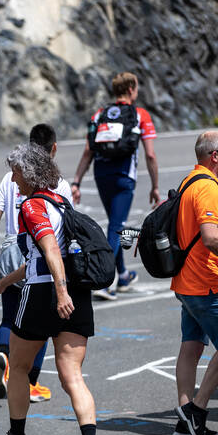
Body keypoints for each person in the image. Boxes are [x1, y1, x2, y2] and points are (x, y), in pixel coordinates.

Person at [0, 143, 102, 435]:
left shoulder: (33, 206)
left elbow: (48, 251)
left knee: (18, 367)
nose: (13, 178)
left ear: (30, 174)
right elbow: (42, 256)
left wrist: (59, 291)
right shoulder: (62, 203)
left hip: (44, 294)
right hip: (76, 291)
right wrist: (4, 283)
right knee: (72, 375)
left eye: (16, 172)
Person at [0, 123, 71, 403]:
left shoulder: (10, 177)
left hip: (10, 247)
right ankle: (30, 381)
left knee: (9, 316)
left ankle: (2, 354)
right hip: (37, 253)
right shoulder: (60, 185)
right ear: (53, 149)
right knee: (40, 324)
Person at [170, 132, 218, 435]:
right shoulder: (208, 188)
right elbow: (211, 237)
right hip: (207, 283)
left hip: (186, 281)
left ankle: (184, 414)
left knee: (192, 346)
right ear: (215, 156)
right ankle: (197, 411)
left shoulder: (190, 180)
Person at [71, 72, 160, 300]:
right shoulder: (140, 115)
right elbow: (150, 155)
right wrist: (155, 186)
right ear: (131, 89)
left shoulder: (100, 113)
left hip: (101, 174)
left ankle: (122, 275)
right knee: (117, 227)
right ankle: (104, 280)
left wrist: (77, 181)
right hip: (123, 176)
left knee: (114, 224)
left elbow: (88, 150)